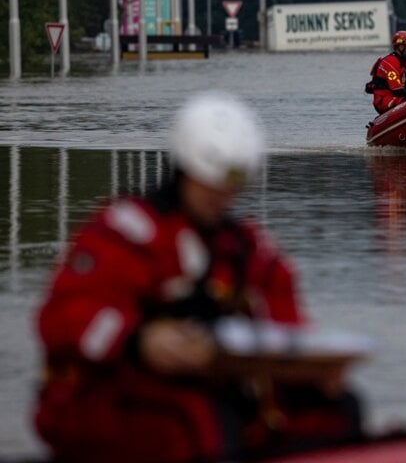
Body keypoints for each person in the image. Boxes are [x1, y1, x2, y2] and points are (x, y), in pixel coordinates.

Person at [33, 92, 363, 463]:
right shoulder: (126, 234)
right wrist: (139, 341)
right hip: (116, 399)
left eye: (230, 186)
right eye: (210, 183)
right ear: (184, 171)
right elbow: (62, 318)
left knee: (334, 407)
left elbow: (285, 320)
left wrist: (310, 366)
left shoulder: (247, 248)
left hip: (213, 389)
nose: (221, 196)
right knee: (199, 419)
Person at [365, 30, 406, 114]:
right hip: (384, 100)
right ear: (401, 47)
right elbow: (397, 89)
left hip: (398, 98)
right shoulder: (390, 62)